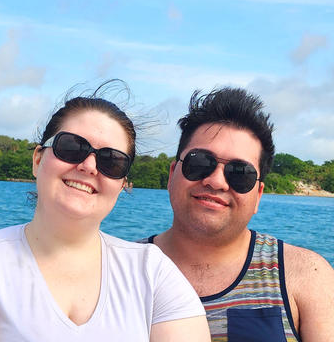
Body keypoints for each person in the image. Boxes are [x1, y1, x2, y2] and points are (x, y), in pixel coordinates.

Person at [0, 81, 210, 342]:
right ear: (38, 159)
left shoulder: (153, 272)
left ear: (123, 185)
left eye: (112, 161)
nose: (88, 166)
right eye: (71, 147)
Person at [140, 87, 334, 341]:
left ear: (259, 195)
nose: (216, 182)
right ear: (172, 175)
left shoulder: (306, 274)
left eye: (240, 173)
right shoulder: (122, 269)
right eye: (200, 163)